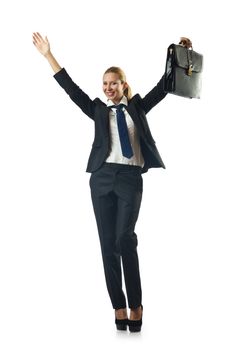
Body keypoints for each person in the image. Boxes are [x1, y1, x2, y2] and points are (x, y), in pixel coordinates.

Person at [32, 32, 191, 332]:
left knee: (124, 239)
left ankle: (137, 303)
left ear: (124, 85)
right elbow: (71, 89)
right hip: (102, 180)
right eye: (104, 84)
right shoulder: (97, 110)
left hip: (130, 179)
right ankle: (118, 306)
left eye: (113, 83)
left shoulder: (138, 107)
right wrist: (48, 55)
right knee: (107, 246)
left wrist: (179, 54)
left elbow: (165, 85)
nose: (108, 89)